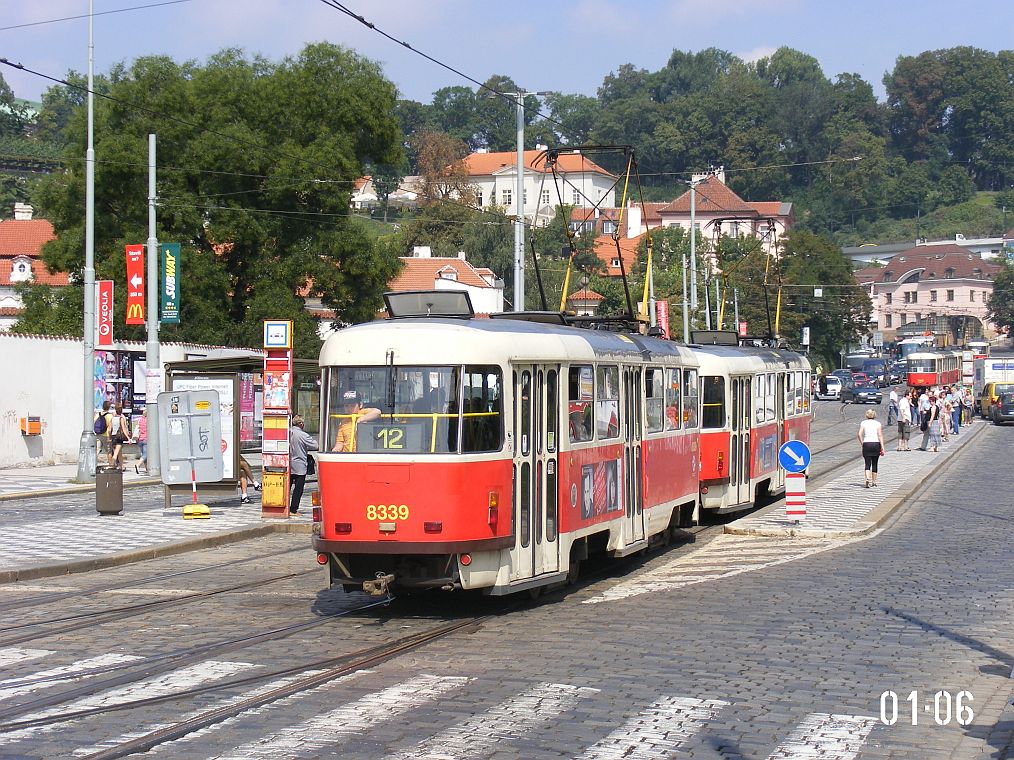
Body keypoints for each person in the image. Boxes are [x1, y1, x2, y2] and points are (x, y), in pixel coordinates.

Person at [289, 415, 319, 514]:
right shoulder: (302, 435)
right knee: (298, 489)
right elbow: (315, 445)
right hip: (299, 466)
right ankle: (293, 509)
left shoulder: (288, 433)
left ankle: (283, 508)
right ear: (301, 424)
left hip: (288, 465)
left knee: (286, 488)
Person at [857, 408, 885, 488]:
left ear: (867, 415)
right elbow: (880, 435)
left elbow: (859, 434)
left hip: (866, 443)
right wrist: (882, 447)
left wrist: (862, 442)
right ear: (874, 415)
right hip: (876, 444)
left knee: (867, 463)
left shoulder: (863, 423)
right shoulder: (878, 424)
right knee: (875, 463)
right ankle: (874, 482)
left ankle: (867, 478)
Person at [109, 403, 131, 471]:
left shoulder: (112, 418)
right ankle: (111, 466)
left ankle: (122, 466)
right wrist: (128, 438)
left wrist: (109, 437)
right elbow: (124, 429)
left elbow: (109, 429)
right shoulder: (121, 418)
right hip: (119, 438)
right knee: (116, 454)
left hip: (113, 437)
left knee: (119, 453)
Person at [134, 408, 148, 474]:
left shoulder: (140, 420)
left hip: (140, 439)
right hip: (146, 439)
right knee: (146, 454)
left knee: (144, 454)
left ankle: (147, 468)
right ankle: (138, 465)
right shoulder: (149, 420)